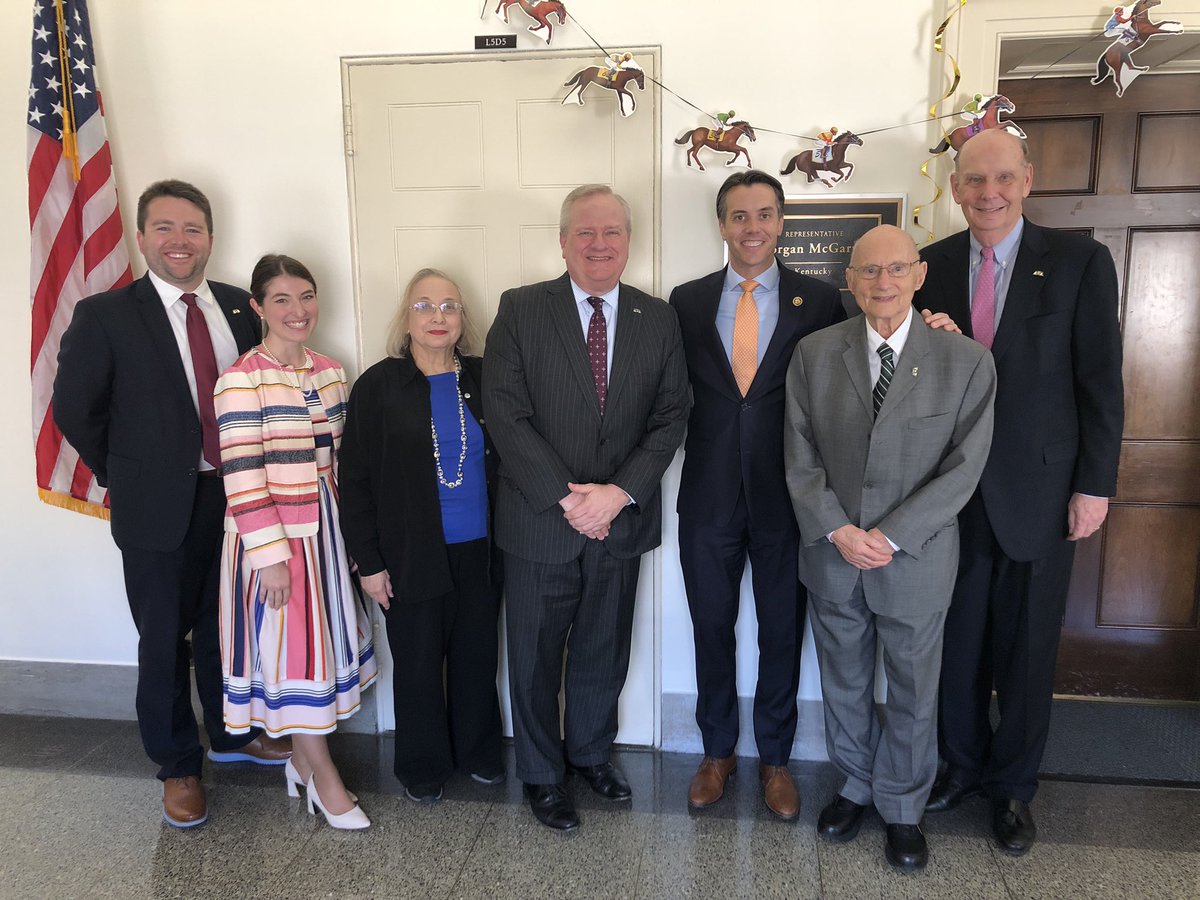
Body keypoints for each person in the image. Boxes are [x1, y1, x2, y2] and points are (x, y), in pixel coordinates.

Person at [53, 180, 292, 829]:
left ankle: (233, 736)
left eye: (192, 228)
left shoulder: (241, 309)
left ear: (210, 238)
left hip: (235, 499)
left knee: (226, 632)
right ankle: (178, 766)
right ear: (142, 236)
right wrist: (125, 474)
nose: (179, 240)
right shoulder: (106, 315)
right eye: (165, 227)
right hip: (155, 507)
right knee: (163, 641)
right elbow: (75, 408)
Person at [916, 129, 1124, 854]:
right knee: (958, 644)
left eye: (1002, 178)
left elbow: (1100, 382)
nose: (989, 193)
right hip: (949, 497)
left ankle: (1012, 790)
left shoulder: (1078, 261)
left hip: (1041, 492)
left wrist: (1094, 486)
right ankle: (962, 767)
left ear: (1027, 179)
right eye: (974, 181)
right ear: (955, 189)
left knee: (1028, 652)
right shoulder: (930, 266)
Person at [784, 224, 997, 871]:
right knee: (844, 681)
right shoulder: (814, 354)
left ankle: (903, 806)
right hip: (834, 555)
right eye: (869, 271)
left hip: (917, 560)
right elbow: (799, 456)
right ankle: (853, 787)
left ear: (919, 275)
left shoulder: (965, 362)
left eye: (896, 269)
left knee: (911, 688)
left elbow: (964, 468)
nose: (883, 282)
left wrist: (892, 534)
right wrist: (840, 529)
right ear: (849, 281)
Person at [483, 184, 691, 831]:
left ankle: (592, 754)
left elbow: (671, 414)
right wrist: (568, 498)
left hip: (620, 523)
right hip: (542, 522)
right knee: (536, 657)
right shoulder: (520, 310)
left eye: (612, 232)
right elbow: (505, 414)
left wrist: (618, 493)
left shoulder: (656, 318)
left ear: (629, 240)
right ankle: (544, 776)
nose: (599, 244)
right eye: (586, 233)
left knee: (604, 650)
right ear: (564, 240)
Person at [669, 170, 844, 820]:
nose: (752, 228)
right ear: (722, 225)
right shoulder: (685, 301)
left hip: (788, 497)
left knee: (780, 631)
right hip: (708, 496)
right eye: (739, 216)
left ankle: (776, 759)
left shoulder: (821, 302)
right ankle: (717, 753)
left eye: (764, 214)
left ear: (780, 223)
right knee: (711, 628)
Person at [213, 254, 377, 830]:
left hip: (328, 530)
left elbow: (348, 462)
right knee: (291, 658)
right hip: (276, 541)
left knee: (322, 650)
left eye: (305, 296)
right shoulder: (240, 379)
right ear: (258, 307)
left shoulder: (331, 371)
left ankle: (303, 770)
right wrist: (271, 559)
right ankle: (323, 777)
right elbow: (242, 474)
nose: (297, 310)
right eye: (281, 299)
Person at [339, 268, 504, 804]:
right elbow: (355, 480)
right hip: (408, 556)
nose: (438, 317)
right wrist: (368, 562)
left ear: (462, 320)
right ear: (406, 317)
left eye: (449, 306)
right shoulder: (379, 385)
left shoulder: (484, 377)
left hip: (482, 552)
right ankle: (423, 764)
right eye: (425, 305)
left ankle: (479, 752)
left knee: (477, 657)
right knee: (416, 663)